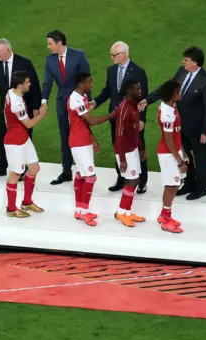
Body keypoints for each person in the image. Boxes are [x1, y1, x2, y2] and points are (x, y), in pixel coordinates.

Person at [139, 46, 206, 201]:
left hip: (197, 129)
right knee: (185, 155)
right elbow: (167, 89)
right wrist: (148, 100)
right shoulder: (182, 72)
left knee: (200, 159)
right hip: (179, 126)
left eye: (186, 60)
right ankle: (189, 183)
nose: (183, 63)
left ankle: (200, 189)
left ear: (195, 62)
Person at [0, 38, 42, 179]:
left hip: (25, 107)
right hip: (5, 109)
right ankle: (1, 167)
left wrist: (36, 106)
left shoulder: (24, 63)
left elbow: (34, 85)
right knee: (2, 136)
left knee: (25, 136)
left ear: (7, 50)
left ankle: (22, 169)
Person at [91, 41, 149, 194]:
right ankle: (121, 177)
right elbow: (107, 91)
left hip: (133, 118)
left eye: (114, 55)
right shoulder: (111, 70)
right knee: (118, 145)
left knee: (137, 146)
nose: (111, 58)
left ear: (124, 54)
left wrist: (142, 118)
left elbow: (143, 97)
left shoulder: (138, 71)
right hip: (115, 116)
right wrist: (95, 102)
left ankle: (142, 181)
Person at [41, 30, 91, 185]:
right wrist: (44, 101)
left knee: (82, 135)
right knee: (65, 137)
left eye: (50, 43)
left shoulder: (78, 56)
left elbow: (86, 79)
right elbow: (47, 82)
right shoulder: (50, 60)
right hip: (62, 102)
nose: (48, 47)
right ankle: (66, 171)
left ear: (59, 43)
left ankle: (86, 170)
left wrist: (88, 101)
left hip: (78, 102)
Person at [68, 72, 115, 226]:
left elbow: (84, 123)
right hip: (78, 142)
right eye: (89, 82)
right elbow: (91, 121)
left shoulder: (82, 97)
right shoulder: (76, 99)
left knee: (82, 175)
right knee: (91, 177)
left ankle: (79, 210)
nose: (91, 85)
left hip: (83, 140)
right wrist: (111, 116)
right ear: (81, 84)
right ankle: (85, 211)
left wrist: (92, 138)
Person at [3, 71, 48, 218]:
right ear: (20, 85)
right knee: (15, 174)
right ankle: (11, 209)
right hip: (15, 142)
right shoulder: (16, 103)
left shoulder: (12, 92)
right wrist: (41, 115)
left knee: (34, 168)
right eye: (27, 82)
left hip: (23, 138)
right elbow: (28, 124)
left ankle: (27, 202)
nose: (30, 84)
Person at [155, 80, 188, 233]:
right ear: (172, 94)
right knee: (172, 185)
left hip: (174, 151)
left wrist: (182, 151)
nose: (181, 93)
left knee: (175, 184)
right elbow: (168, 140)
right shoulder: (167, 113)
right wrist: (180, 160)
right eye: (178, 91)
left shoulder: (171, 107)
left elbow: (176, 134)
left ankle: (164, 214)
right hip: (168, 154)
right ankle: (166, 220)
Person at [113, 79, 146, 227]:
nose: (140, 91)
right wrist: (122, 159)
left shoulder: (133, 107)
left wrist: (141, 147)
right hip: (124, 151)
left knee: (135, 180)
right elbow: (119, 135)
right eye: (137, 88)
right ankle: (121, 212)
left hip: (132, 149)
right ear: (129, 90)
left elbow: (134, 131)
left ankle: (127, 211)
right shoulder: (124, 108)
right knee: (132, 180)